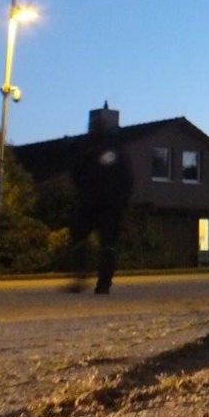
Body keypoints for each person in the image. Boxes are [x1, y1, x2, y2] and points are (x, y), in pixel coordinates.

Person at [69, 115, 134, 294]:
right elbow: (126, 179)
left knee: (91, 238)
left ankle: (89, 279)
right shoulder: (110, 149)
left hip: (97, 202)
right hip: (105, 204)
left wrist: (83, 191)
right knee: (104, 241)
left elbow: (77, 172)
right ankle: (100, 282)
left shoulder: (92, 148)